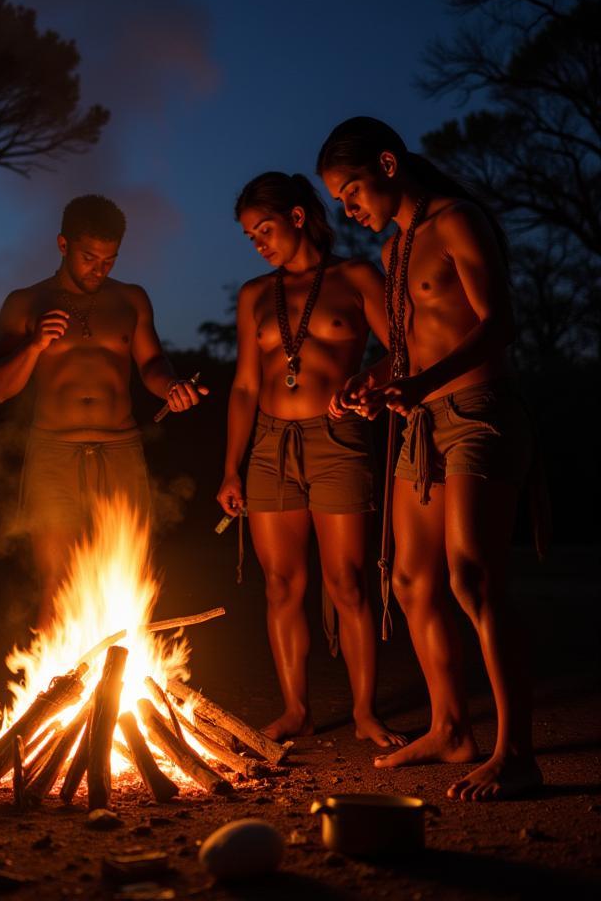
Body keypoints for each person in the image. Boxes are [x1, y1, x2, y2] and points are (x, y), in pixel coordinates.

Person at [317, 115, 541, 801]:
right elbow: (411, 350)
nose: (348, 209)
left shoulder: (456, 221)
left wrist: (420, 383)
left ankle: (517, 754)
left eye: (351, 191)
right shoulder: (394, 253)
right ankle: (451, 729)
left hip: (477, 414)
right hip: (423, 424)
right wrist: (371, 380)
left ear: (388, 166)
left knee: (472, 577)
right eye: (339, 201)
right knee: (412, 582)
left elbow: (499, 324)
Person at [216, 172, 404, 748]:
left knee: (347, 582)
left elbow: (405, 352)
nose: (258, 243)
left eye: (264, 229)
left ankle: (365, 713)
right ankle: (295, 710)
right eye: (250, 236)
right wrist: (231, 466)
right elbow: (246, 385)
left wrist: (367, 381)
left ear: (298, 217)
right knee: (279, 584)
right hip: (269, 446)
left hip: (337, 439)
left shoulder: (356, 278)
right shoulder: (254, 294)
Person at [0, 194, 205, 628]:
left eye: (109, 259)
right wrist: (35, 345)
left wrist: (172, 387)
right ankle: (58, 690)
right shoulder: (26, 302)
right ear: (63, 245)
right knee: (55, 579)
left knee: (126, 574)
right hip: (54, 451)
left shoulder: (131, 300)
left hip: (120, 448)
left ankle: (118, 690)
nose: (99, 269)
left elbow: (152, 364)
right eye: (90, 257)